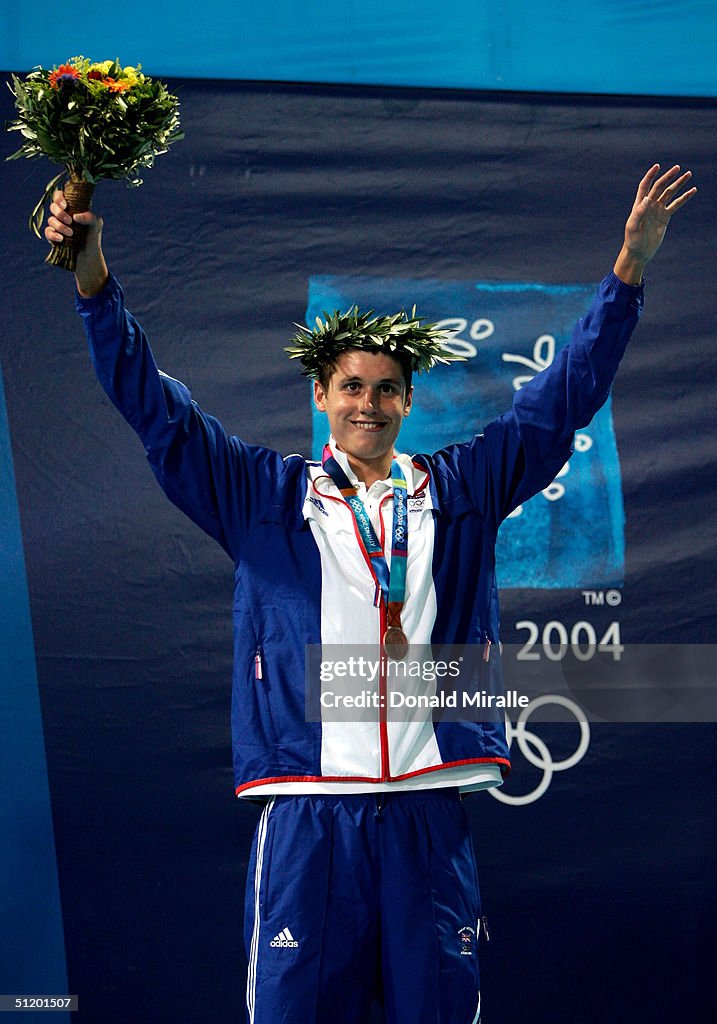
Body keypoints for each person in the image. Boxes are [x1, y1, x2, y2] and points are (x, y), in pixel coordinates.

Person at [45, 163, 695, 1024]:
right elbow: (153, 409)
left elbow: (557, 404)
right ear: (320, 397)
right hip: (311, 806)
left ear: (408, 401)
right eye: (350, 385)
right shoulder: (263, 497)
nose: (368, 403)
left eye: (386, 388)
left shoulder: (458, 487)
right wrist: (92, 280)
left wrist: (626, 272)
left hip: (427, 804)